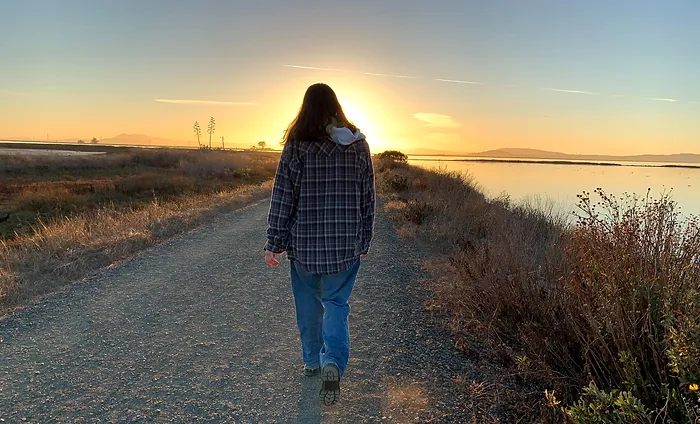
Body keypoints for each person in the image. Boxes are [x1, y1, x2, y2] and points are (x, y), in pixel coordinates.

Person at [264, 83, 375, 406]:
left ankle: (313, 360)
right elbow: (368, 199)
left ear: (305, 108)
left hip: (305, 245)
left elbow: (283, 196)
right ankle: (332, 363)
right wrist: (364, 238)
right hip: (344, 246)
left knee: (308, 304)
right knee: (336, 304)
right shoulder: (358, 145)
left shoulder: (297, 146)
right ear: (336, 107)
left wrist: (275, 241)